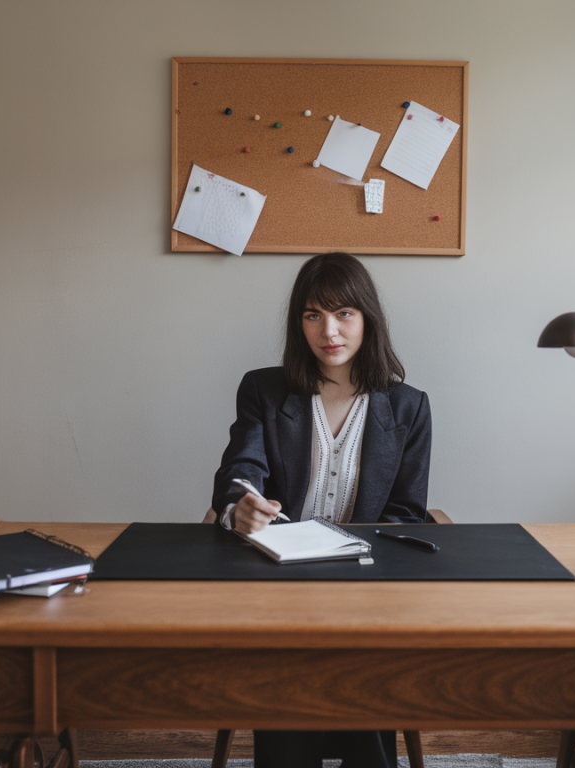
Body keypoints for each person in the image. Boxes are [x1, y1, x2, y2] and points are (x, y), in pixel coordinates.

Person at [211, 251, 431, 768]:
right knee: (289, 662)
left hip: (367, 584)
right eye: (312, 315)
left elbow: (406, 511)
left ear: (367, 319)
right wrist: (240, 504)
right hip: (277, 580)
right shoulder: (263, 389)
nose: (328, 330)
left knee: (363, 663)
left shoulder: (409, 406)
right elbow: (240, 470)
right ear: (298, 323)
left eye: (343, 314)